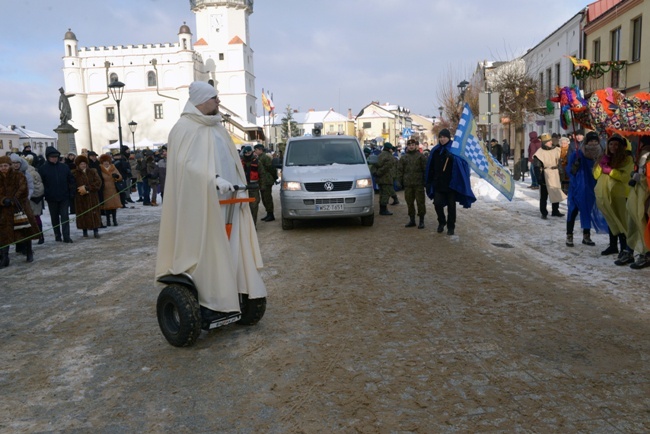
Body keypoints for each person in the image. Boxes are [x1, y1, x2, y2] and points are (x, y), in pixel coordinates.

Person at [156, 80, 266, 317]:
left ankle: (238, 294)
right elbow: (184, 165)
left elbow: (233, 160)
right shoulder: (183, 129)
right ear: (201, 101)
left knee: (233, 249)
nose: (218, 102)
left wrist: (239, 184)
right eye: (215, 98)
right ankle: (210, 300)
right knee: (207, 249)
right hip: (200, 204)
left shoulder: (218, 128)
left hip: (231, 202)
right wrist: (213, 179)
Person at [425, 128, 476, 235]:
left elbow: (463, 164)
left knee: (451, 207)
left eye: (444, 137)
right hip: (438, 183)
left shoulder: (455, 150)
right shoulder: (436, 150)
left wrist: (453, 158)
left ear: (449, 138)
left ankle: (451, 226)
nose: (442, 139)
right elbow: (430, 167)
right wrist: (429, 181)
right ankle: (441, 222)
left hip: (451, 184)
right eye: (441, 137)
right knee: (437, 204)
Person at [594, 133, 635, 264]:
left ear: (622, 146)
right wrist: (600, 165)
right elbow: (595, 176)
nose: (613, 147)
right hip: (605, 195)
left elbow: (625, 177)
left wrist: (610, 171)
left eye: (616, 144)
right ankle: (613, 246)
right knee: (611, 220)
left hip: (620, 195)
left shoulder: (627, 159)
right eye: (611, 144)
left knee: (621, 222)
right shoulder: (605, 157)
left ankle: (625, 249)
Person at [565, 131, 607, 247]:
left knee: (587, 210)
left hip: (592, 187)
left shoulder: (601, 155)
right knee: (573, 211)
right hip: (578, 187)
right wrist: (575, 166)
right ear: (586, 142)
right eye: (591, 141)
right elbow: (569, 170)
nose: (593, 143)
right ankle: (569, 235)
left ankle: (586, 236)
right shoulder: (578, 153)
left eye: (595, 141)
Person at [0, 155, 39, 266]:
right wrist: (3, 200)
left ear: (10, 166)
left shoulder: (19, 176)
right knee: (3, 234)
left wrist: (12, 200)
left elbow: (23, 190)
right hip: (3, 210)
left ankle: (28, 251)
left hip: (19, 207)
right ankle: (4, 257)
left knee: (24, 230)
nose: (3, 168)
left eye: (5, 165)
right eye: (1, 166)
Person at [38, 146, 75, 243]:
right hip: (51, 197)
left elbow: (71, 180)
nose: (54, 158)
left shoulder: (64, 167)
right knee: (54, 218)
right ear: (48, 157)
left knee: (65, 216)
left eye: (56, 156)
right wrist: (45, 193)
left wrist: (71, 192)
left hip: (64, 196)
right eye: (52, 157)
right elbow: (41, 183)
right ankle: (57, 235)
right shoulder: (43, 169)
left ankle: (66, 236)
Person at [625, 136, 650, 269]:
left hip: (646, 193)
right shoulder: (642, 153)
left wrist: (640, 177)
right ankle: (631, 249)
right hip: (638, 191)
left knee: (642, 218)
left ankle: (646, 252)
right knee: (633, 216)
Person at [533, 133, 566, 219]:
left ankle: (555, 210)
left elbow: (561, 161)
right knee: (544, 195)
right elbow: (536, 166)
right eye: (548, 142)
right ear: (544, 143)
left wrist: (562, 173)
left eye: (550, 141)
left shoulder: (557, 150)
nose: (550, 142)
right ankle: (544, 212)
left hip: (555, 173)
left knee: (556, 192)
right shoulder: (539, 152)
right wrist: (538, 178)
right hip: (545, 174)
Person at [397, 138, 427, 228]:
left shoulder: (421, 157)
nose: (411, 146)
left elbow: (425, 170)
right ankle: (412, 220)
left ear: (415, 146)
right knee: (409, 202)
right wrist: (399, 181)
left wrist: (425, 181)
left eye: (413, 145)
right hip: (408, 184)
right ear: (407, 146)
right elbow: (399, 170)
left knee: (420, 202)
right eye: (409, 145)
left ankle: (421, 221)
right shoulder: (403, 158)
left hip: (419, 184)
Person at [71, 155, 102, 238]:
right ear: (78, 165)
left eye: (84, 164)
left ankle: (96, 230)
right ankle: (84, 231)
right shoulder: (74, 173)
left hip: (92, 196)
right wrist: (79, 190)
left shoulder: (92, 171)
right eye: (81, 164)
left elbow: (98, 182)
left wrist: (88, 188)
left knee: (94, 213)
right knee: (83, 214)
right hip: (80, 197)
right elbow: (71, 185)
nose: (83, 165)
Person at [98, 153, 123, 226]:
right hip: (105, 189)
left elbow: (120, 177)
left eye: (107, 161)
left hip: (113, 188)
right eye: (104, 161)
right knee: (107, 206)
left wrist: (117, 176)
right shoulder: (100, 169)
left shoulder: (113, 167)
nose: (106, 163)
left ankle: (114, 220)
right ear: (102, 162)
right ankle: (108, 220)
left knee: (114, 206)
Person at [254, 143, 277, 222]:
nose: (255, 152)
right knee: (264, 198)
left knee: (267, 198)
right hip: (263, 181)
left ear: (260, 150)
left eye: (256, 150)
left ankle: (271, 214)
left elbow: (271, 168)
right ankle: (268, 213)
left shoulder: (265, 157)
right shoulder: (260, 157)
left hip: (267, 180)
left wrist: (274, 177)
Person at [375, 142, 398, 215]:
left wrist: (377, 173)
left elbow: (377, 165)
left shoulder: (380, 155)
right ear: (389, 149)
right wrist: (379, 172)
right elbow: (386, 167)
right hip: (387, 178)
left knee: (382, 194)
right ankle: (383, 210)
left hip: (380, 178)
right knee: (385, 194)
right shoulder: (389, 157)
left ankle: (382, 209)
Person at [240, 145, 261, 225]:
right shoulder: (240, 163)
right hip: (243, 188)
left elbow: (262, 174)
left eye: (249, 152)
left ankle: (253, 224)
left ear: (252, 152)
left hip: (254, 188)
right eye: (246, 153)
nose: (247, 154)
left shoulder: (257, 162)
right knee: (244, 207)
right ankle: (245, 225)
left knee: (254, 207)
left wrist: (262, 187)